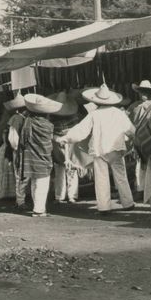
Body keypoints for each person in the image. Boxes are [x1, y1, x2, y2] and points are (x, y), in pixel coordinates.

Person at [56, 84, 135, 215]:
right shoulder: (119, 113)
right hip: (116, 148)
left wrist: (65, 138)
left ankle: (104, 207)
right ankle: (128, 203)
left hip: (100, 149)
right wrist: (134, 139)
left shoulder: (94, 114)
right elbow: (131, 130)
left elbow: (81, 131)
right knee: (121, 175)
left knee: (101, 178)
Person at [19, 93, 63, 217]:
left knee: (34, 183)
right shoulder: (48, 125)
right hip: (43, 157)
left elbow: (23, 140)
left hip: (30, 156)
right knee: (42, 184)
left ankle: (37, 207)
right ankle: (39, 210)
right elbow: (48, 142)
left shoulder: (28, 122)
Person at [128, 80, 151, 202]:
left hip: (150, 138)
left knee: (148, 167)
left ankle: (147, 191)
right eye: (141, 92)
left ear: (150, 93)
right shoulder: (134, 106)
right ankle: (142, 190)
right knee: (141, 166)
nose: (143, 95)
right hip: (139, 139)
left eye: (145, 92)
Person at [49, 91, 81, 204]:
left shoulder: (73, 117)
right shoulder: (53, 117)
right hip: (62, 143)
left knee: (65, 170)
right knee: (64, 170)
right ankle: (66, 196)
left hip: (66, 143)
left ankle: (64, 196)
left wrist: (58, 138)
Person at [5, 92, 29, 210]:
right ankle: (20, 200)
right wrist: (18, 149)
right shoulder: (17, 119)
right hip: (19, 151)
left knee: (20, 174)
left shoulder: (18, 118)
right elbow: (13, 139)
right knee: (20, 174)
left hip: (20, 150)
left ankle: (20, 199)